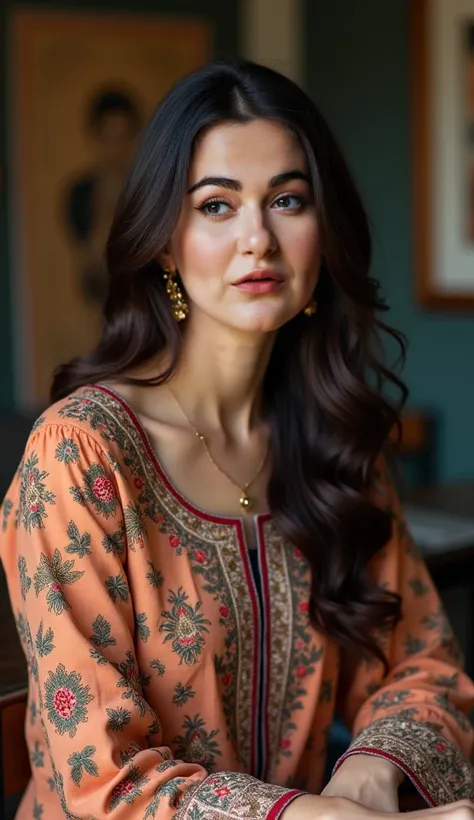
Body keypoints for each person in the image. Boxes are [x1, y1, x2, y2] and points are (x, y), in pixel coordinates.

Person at [1, 59, 474, 820]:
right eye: (216, 206)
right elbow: (102, 777)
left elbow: (425, 667)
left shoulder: (332, 445)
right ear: (163, 241)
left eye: (287, 200)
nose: (258, 238)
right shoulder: (81, 455)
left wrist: (367, 776)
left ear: (325, 229)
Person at [64, 87, 142, 306]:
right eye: (109, 139)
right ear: (95, 139)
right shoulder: (80, 193)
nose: (116, 150)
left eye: (123, 138)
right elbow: (88, 267)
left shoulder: (147, 190)